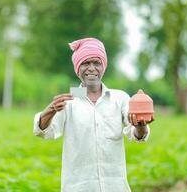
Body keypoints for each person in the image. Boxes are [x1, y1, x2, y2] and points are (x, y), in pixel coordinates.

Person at [33, 37, 154, 192]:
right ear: (77, 68)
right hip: (78, 187)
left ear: (103, 66)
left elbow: (137, 134)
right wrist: (50, 110)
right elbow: (43, 132)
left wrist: (141, 126)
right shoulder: (69, 100)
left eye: (96, 63)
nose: (91, 68)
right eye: (85, 63)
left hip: (115, 186)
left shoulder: (119, 98)